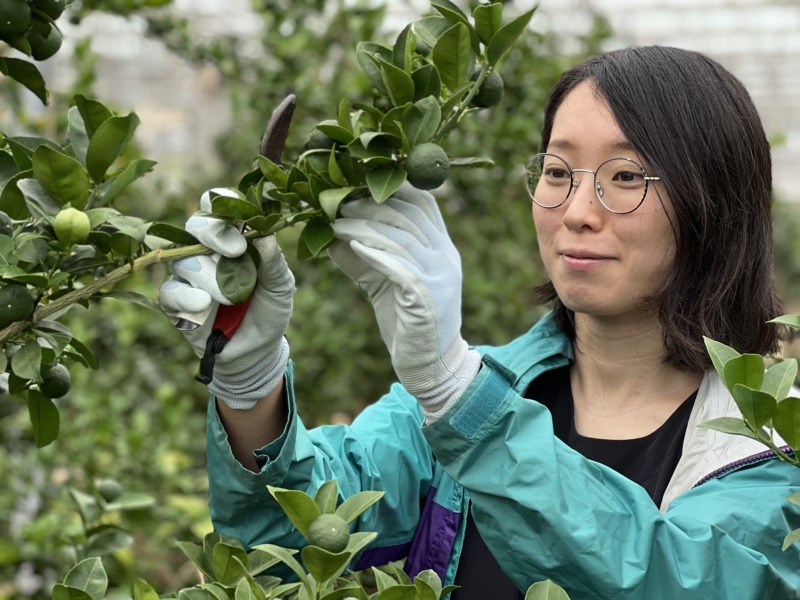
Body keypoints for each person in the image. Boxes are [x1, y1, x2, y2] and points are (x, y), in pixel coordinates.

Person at [158, 46, 800, 598]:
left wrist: (459, 398)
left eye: (625, 176)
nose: (576, 210)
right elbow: (298, 545)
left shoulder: (769, 440)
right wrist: (250, 383)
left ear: (713, 203)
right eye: (557, 171)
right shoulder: (458, 404)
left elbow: (689, 580)